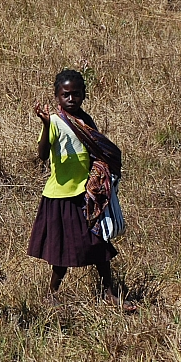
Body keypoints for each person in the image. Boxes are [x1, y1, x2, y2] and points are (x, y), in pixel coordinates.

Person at [27, 69, 135, 311]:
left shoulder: (86, 121)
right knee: (61, 251)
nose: (71, 99)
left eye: (76, 94)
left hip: (85, 194)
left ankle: (109, 292)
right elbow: (42, 155)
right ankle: (52, 293)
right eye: (66, 95)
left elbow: (99, 151)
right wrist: (45, 125)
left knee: (99, 242)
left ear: (84, 95)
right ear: (57, 97)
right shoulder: (55, 121)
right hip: (60, 196)